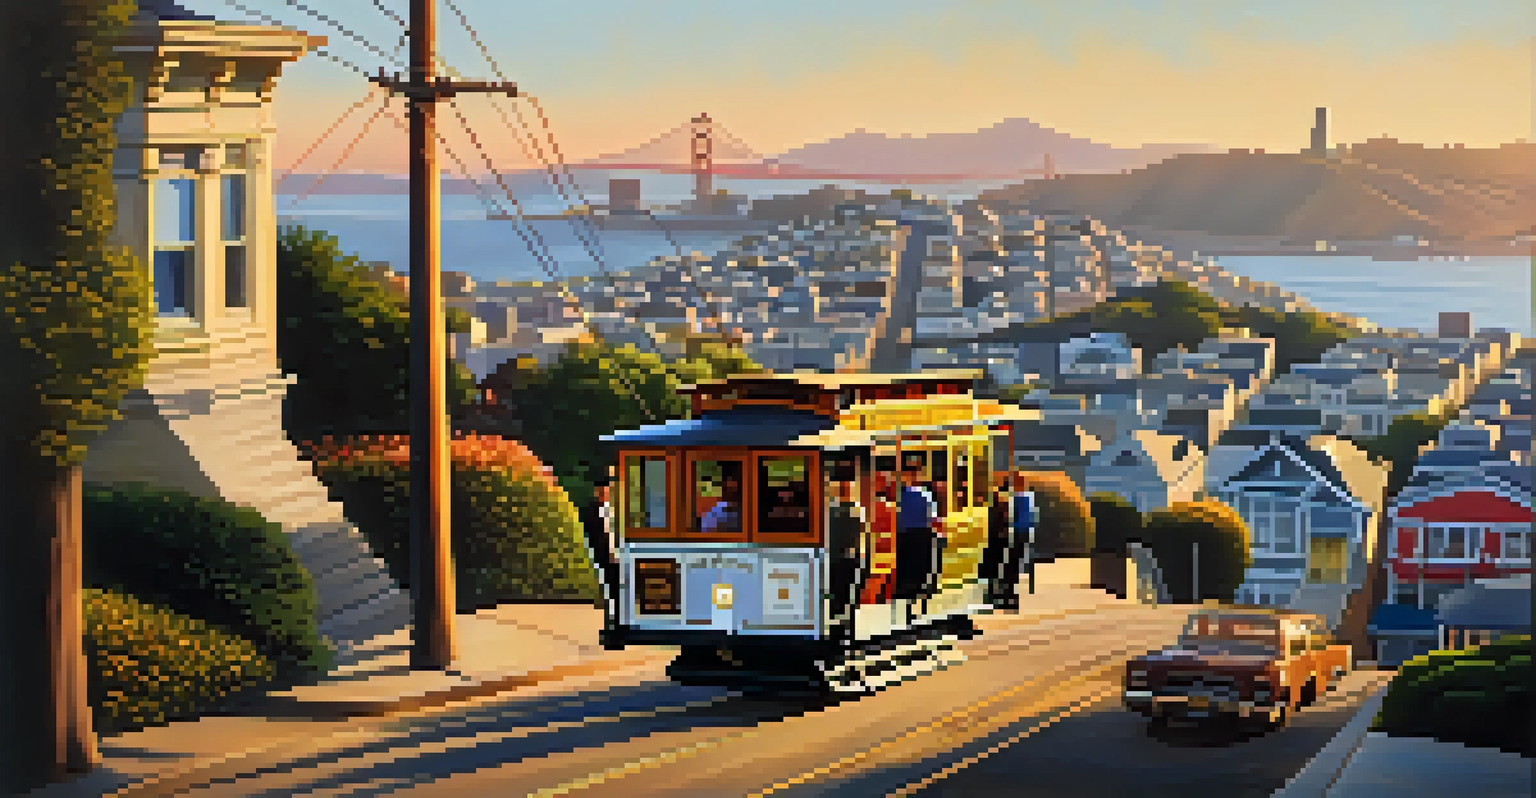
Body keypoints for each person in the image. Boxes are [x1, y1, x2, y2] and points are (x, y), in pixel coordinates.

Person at [581, 476, 621, 619]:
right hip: (603, 554)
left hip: (618, 554)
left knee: (620, 586)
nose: (605, 495)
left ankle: (620, 615)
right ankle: (613, 614)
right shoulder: (590, 511)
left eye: (607, 491)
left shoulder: (617, 510)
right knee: (610, 586)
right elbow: (590, 534)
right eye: (602, 492)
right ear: (597, 493)